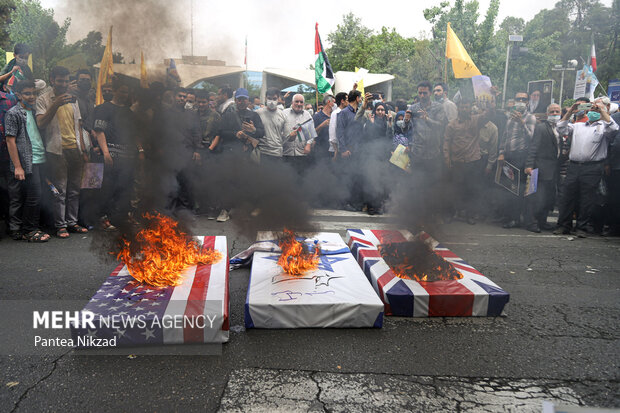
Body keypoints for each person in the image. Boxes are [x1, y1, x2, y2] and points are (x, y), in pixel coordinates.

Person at [36, 66, 88, 238]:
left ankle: (72, 222)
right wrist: (56, 103)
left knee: (75, 189)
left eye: (66, 81)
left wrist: (83, 148)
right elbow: (41, 123)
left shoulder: (74, 99)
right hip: (56, 150)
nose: (64, 84)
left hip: (76, 149)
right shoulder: (43, 99)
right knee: (60, 190)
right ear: (52, 80)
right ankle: (60, 225)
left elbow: (79, 125)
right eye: (60, 80)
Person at [554, 100, 619, 236]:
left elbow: (614, 129)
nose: (593, 111)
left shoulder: (603, 127)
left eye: (596, 109)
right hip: (574, 166)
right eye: (592, 109)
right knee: (567, 196)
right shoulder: (578, 126)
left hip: (592, 168)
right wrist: (571, 111)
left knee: (587, 199)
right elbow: (560, 127)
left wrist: (602, 111)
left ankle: (581, 228)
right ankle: (563, 225)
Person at [4, 80, 50, 242]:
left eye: (34, 93)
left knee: (38, 195)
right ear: (18, 95)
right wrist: (17, 166)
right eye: (27, 94)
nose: (32, 97)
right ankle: (29, 230)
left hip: (40, 158)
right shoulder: (13, 113)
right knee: (33, 196)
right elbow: (10, 140)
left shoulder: (35, 111)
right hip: (27, 162)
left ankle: (33, 227)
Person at [92, 77, 139, 229]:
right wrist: (106, 153)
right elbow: (99, 131)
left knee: (124, 188)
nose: (125, 94)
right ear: (115, 91)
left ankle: (121, 218)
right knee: (106, 188)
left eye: (127, 92)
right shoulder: (104, 108)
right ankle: (102, 218)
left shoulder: (128, 112)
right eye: (122, 91)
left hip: (127, 156)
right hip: (110, 154)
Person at [443, 99, 490, 224]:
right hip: (457, 162)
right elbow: (446, 141)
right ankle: (450, 213)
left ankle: (469, 215)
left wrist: (491, 101)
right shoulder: (451, 125)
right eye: (462, 107)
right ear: (458, 108)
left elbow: (489, 115)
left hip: (473, 161)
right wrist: (447, 158)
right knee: (454, 190)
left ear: (470, 108)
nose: (464, 109)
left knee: (471, 190)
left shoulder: (477, 120)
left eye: (467, 107)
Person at [408, 81, 447, 219]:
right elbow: (405, 129)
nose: (422, 95)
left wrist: (427, 119)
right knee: (417, 184)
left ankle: (432, 215)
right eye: (420, 93)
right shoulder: (413, 108)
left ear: (430, 93)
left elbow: (441, 126)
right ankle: (417, 214)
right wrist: (406, 121)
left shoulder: (438, 107)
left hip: (433, 153)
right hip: (417, 153)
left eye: (425, 93)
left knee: (433, 185)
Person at [497, 91, 536, 228]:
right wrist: (501, 153)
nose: (520, 101)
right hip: (509, 158)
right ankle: (508, 216)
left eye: (523, 99)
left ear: (527, 102)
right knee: (509, 189)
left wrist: (522, 123)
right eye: (518, 98)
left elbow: (531, 138)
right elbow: (504, 138)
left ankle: (516, 218)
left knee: (519, 190)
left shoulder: (530, 118)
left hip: (522, 157)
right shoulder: (509, 118)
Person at [524, 104, 562, 233]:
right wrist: (529, 165)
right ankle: (531, 223)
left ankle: (543, 222)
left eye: (557, 111)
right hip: (538, 168)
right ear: (547, 114)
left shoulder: (562, 128)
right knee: (535, 197)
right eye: (552, 111)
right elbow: (533, 147)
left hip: (554, 170)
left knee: (548, 198)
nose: (555, 113)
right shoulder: (541, 128)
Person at [283, 94, 317, 177]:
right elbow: (279, 130)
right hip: (286, 153)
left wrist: (308, 144)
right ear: (292, 102)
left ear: (304, 104)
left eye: (301, 102)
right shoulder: (284, 113)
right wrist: (287, 137)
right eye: (296, 101)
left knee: (301, 179)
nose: (299, 104)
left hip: (301, 154)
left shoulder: (307, 115)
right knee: (286, 179)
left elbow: (311, 133)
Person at [256, 88, 286, 165]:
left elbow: (285, 135)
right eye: (269, 98)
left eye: (274, 98)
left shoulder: (283, 115)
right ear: (265, 98)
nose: (272, 101)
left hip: (277, 152)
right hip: (262, 152)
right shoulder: (258, 113)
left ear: (278, 99)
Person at [312, 95, 334, 161]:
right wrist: (322, 125)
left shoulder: (334, 116)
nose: (335, 105)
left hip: (333, 151)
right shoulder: (317, 116)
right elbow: (311, 134)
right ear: (329, 102)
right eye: (334, 102)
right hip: (320, 151)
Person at [328, 92, 347, 158]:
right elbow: (332, 134)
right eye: (347, 100)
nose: (349, 102)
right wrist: (336, 151)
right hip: (336, 150)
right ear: (342, 101)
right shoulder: (335, 113)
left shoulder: (345, 112)